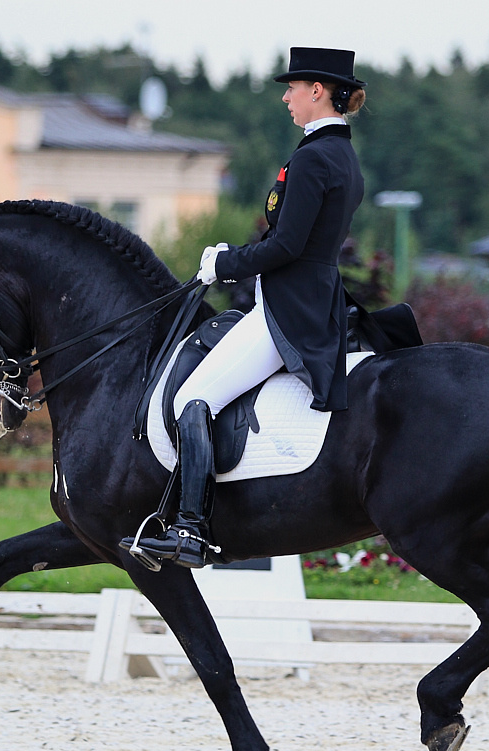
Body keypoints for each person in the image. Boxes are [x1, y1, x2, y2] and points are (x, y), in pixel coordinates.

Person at [128, 47, 367, 569]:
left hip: (288, 309)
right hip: (309, 301)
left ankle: (190, 529)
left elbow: (285, 248)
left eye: (293, 89)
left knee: (194, 399)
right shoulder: (341, 155)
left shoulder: (314, 158)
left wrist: (225, 263)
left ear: (318, 92)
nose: (286, 98)